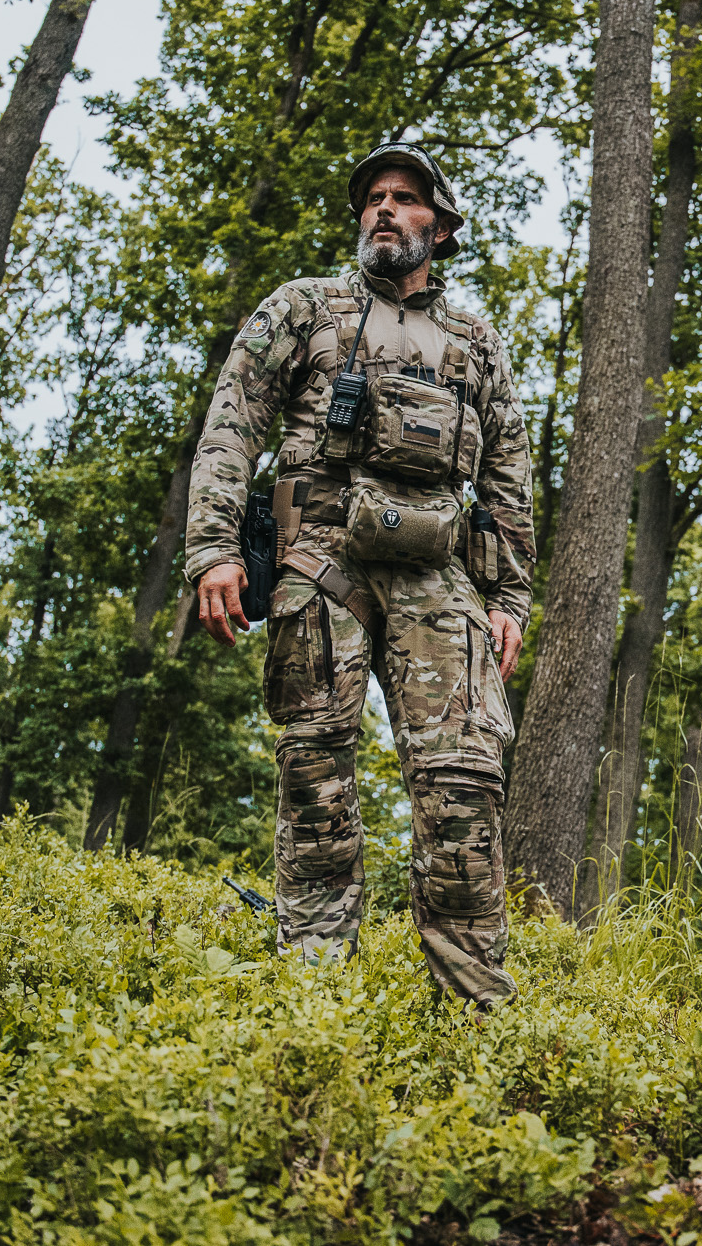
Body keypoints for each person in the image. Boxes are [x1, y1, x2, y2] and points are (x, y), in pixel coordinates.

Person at [183, 142, 536, 1007]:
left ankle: (475, 1013)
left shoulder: (476, 345)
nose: (383, 208)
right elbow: (235, 421)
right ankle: (315, 1003)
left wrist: (511, 598)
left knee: (463, 785)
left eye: (404, 198)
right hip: (318, 566)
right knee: (315, 778)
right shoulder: (304, 308)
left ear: (441, 229)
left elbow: (509, 477)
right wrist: (214, 548)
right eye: (373, 197)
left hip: (439, 581)